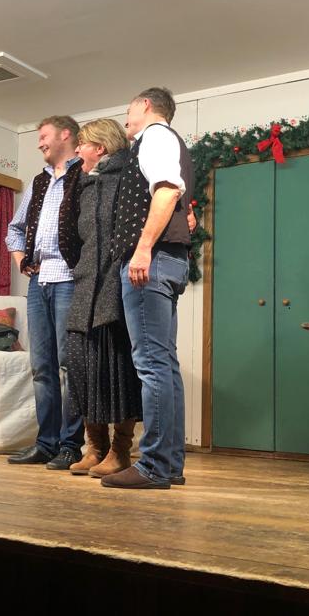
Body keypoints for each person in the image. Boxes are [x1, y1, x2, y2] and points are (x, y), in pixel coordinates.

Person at [101, 87, 193, 490]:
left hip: (151, 261)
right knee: (164, 364)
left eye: (128, 108)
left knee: (153, 365)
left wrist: (142, 249)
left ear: (145, 105)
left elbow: (167, 190)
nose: (126, 117)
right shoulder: (170, 142)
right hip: (168, 260)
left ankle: (154, 466)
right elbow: (178, 197)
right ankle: (168, 465)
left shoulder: (154, 136)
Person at [62, 119, 142, 478]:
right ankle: (94, 446)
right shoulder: (83, 184)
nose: (78, 150)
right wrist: (80, 267)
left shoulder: (127, 178)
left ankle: (120, 450)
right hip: (84, 285)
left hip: (114, 283)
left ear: (101, 147)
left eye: (83, 144)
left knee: (117, 368)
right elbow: (72, 236)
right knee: (82, 365)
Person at [5, 116, 85, 470]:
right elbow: (14, 229)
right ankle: (46, 443)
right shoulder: (39, 182)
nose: (39, 142)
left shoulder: (85, 175)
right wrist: (22, 260)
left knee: (69, 365)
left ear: (65, 134)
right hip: (38, 284)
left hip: (69, 279)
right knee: (42, 367)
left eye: (44, 136)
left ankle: (71, 445)